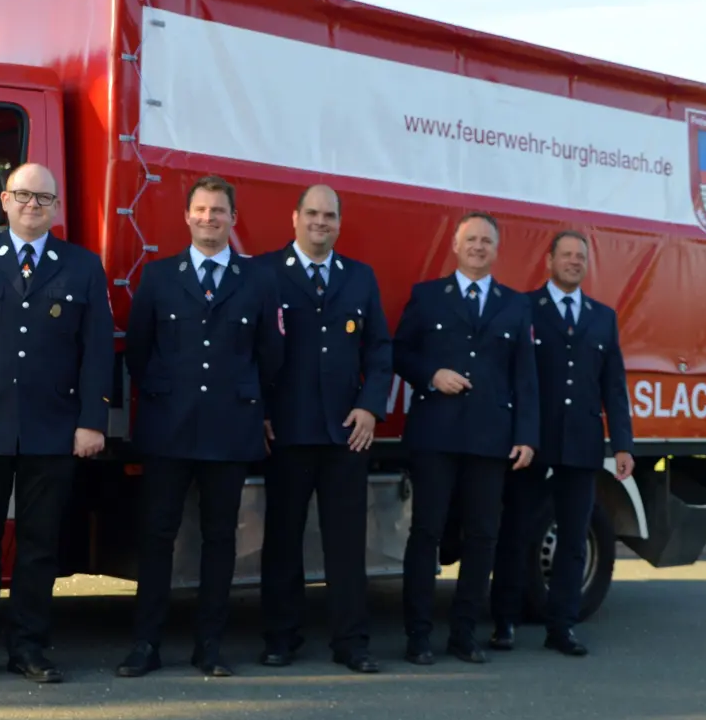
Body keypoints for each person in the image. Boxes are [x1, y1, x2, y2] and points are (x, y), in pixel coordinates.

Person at [0, 163, 114, 684]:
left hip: (53, 428)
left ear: (55, 208)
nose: (33, 205)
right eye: (24, 195)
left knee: (39, 545)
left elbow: (96, 352)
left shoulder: (81, 267)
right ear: (5, 201)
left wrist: (92, 421)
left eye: (44, 198)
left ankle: (29, 647)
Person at [117, 174, 286, 678]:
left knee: (219, 540)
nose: (209, 219)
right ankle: (145, 645)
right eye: (201, 210)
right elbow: (140, 352)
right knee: (156, 537)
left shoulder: (257, 280)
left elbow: (270, 355)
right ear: (186, 217)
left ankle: (208, 646)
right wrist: (166, 395)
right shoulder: (159, 276)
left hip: (229, 428)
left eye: (218, 211)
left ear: (233, 220)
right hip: (169, 428)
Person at [392, 210, 538, 666]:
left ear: (496, 251)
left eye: (486, 241)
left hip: (490, 439)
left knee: (482, 537)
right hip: (436, 434)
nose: (478, 247)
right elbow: (399, 353)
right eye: (471, 239)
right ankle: (418, 636)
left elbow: (525, 377)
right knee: (426, 534)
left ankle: (464, 635)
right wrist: (431, 374)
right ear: (455, 246)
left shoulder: (515, 305)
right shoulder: (428, 296)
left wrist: (527, 436)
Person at [258, 184, 391, 674]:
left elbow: (380, 349)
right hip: (287, 432)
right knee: (282, 541)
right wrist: (261, 411)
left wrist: (370, 407)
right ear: (294, 218)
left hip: (345, 433)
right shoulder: (266, 272)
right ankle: (280, 638)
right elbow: (250, 350)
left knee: (346, 545)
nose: (320, 222)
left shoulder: (360, 278)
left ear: (339, 222)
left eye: (329, 215)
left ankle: (351, 642)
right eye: (311, 213)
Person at [489, 229, 635, 657]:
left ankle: (563, 626)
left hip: (583, 446)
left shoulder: (602, 317)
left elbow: (614, 386)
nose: (573, 261)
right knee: (515, 534)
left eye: (580, 256)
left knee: (573, 540)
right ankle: (504, 622)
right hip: (531, 444)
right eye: (566, 255)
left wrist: (622, 444)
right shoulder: (523, 308)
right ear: (549, 260)